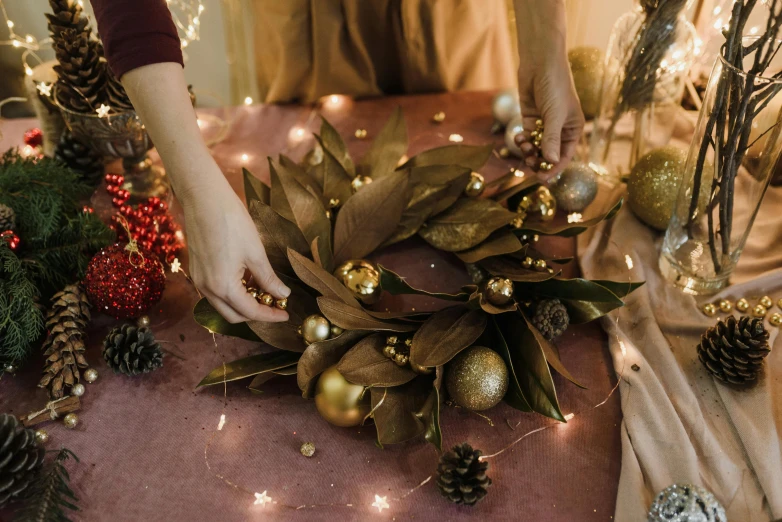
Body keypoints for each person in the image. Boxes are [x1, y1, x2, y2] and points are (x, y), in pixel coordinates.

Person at [89, 0, 584, 325]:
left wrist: (545, 43)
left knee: (465, 151)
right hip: (307, 20)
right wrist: (195, 186)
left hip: (452, 16)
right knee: (305, 157)